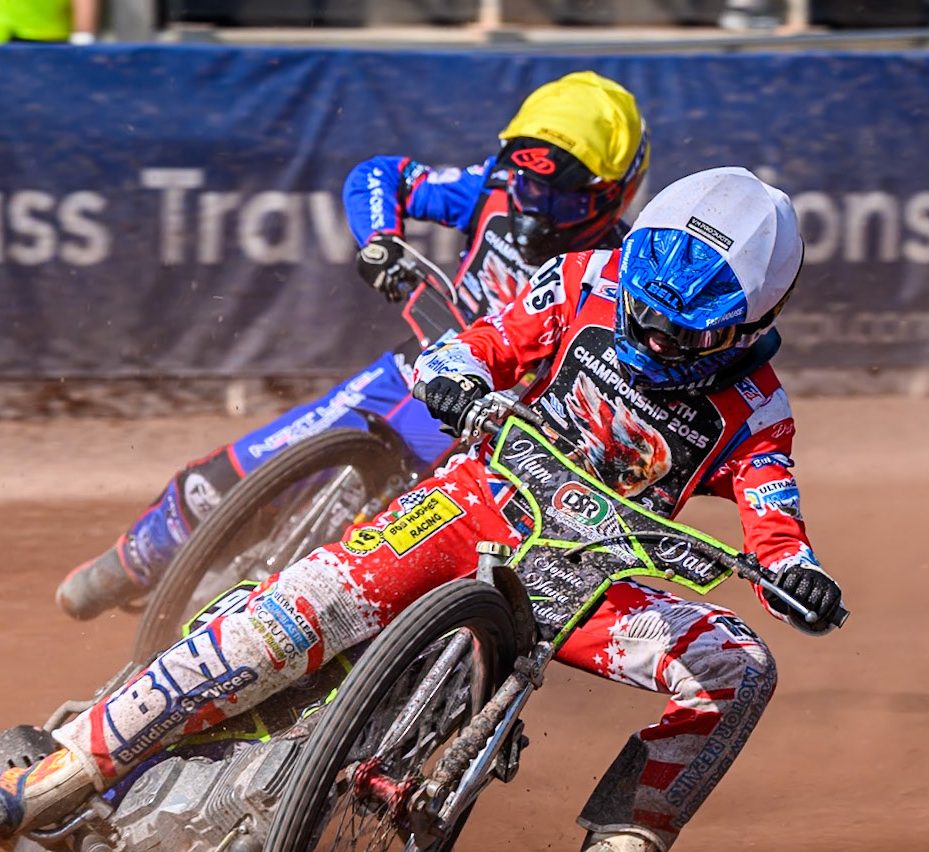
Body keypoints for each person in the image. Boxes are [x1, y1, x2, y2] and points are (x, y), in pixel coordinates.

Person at [0, 166, 846, 852]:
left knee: (740, 668)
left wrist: (798, 576)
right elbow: (476, 344)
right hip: (468, 505)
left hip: (594, 585)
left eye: (679, 334)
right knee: (289, 615)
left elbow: (776, 525)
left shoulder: (758, 411)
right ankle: (63, 769)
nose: (647, 338)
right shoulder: (586, 278)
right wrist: (453, 376)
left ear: (749, 325)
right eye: (641, 312)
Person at [54, 71, 650, 620]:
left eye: (562, 198)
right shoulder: (488, 191)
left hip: (501, 432)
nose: (535, 211)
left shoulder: (621, 270)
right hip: (415, 369)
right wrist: (380, 240)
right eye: (527, 183)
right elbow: (378, 175)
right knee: (227, 477)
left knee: (404, 583)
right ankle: (131, 563)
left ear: (614, 195)